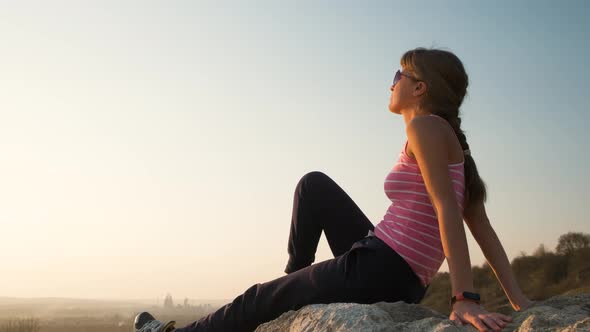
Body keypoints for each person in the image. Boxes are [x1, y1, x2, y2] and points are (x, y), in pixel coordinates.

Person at [133, 47, 534, 332]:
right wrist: (520, 302)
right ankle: (296, 281)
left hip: (380, 267)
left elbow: (449, 210)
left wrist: (465, 298)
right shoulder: (451, 140)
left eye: (399, 75)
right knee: (314, 186)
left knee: (256, 299)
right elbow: (482, 225)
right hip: (395, 270)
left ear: (420, 88)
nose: (391, 82)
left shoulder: (424, 127)